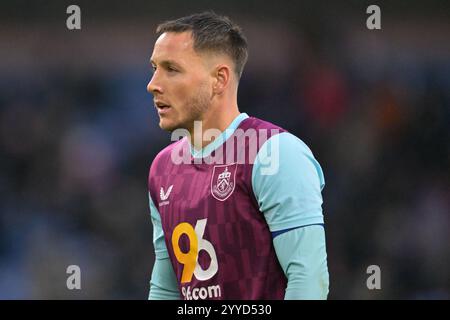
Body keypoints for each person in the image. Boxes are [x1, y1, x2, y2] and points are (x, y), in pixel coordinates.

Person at [146, 11, 329, 300]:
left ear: (219, 79)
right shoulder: (163, 168)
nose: (153, 83)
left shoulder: (275, 153)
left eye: (171, 69)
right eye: (154, 68)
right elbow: (167, 289)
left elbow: (309, 279)